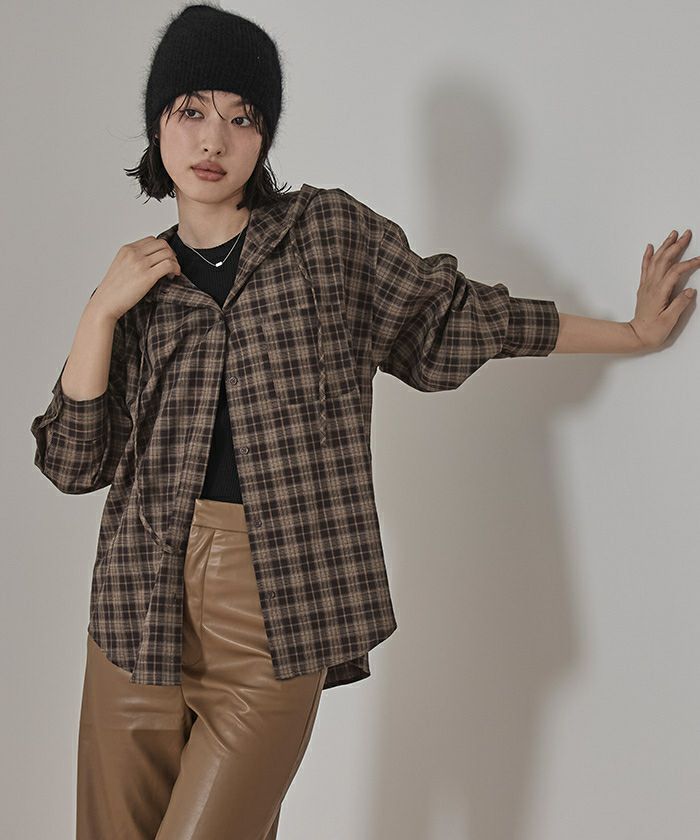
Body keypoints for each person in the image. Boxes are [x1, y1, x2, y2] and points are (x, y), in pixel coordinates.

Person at [29, 3, 698, 839]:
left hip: (276, 609)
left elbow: (459, 317)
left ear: (264, 138)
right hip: (136, 608)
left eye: (242, 117)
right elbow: (72, 464)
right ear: (157, 123)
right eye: (191, 110)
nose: (212, 140)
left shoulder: (326, 238)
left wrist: (631, 333)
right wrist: (98, 312)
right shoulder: (136, 284)